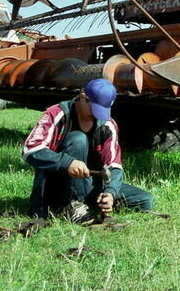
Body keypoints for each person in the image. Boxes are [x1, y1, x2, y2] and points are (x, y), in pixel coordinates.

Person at [22, 78, 153, 221]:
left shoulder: (107, 124)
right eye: (95, 109)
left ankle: (90, 204)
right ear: (83, 97)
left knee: (144, 200)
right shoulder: (57, 114)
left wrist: (110, 193)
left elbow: (114, 165)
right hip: (56, 185)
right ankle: (69, 205)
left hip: (90, 183)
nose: (98, 115)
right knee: (78, 139)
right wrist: (68, 163)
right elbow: (30, 150)